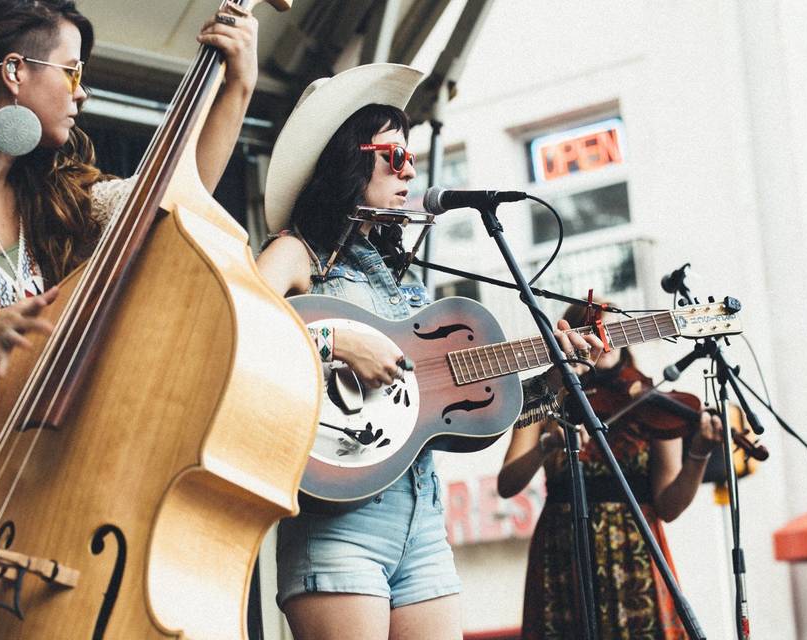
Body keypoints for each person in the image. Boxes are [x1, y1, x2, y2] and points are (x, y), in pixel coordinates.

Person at [0, 0, 258, 637]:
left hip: (18, 501)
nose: (84, 93)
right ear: (15, 71)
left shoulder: (52, 200)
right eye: (73, 73)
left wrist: (236, 83)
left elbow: (171, 205)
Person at [255, 63, 603, 640]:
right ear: (348, 159)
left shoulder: (409, 286)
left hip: (424, 523)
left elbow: (449, 416)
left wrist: (553, 382)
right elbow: (233, 333)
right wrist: (332, 338)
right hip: (338, 526)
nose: (410, 168)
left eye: (411, 155)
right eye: (394, 155)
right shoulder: (297, 255)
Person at [497, 304, 723, 640]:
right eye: (592, 331)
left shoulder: (649, 399)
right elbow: (507, 483)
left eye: (614, 333)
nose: (604, 341)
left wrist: (700, 453)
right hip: (564, 549)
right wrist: (547, 443)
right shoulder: (545, 397)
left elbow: (669, 506)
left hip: (634, 555)